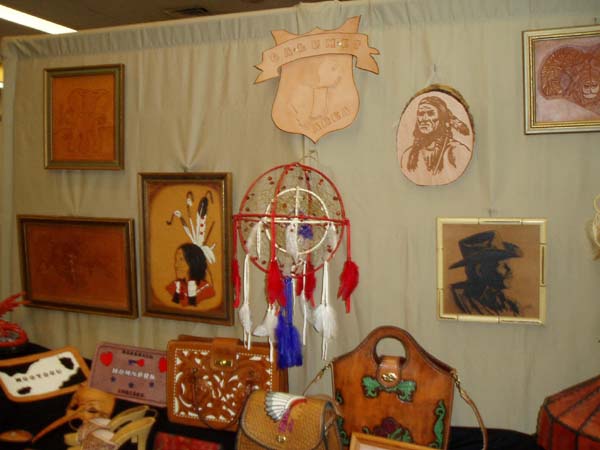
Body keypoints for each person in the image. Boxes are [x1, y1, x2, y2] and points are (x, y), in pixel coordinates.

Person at [400, 96, 472, 186]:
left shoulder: (456, 150)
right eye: (421, 114)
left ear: (441, 119)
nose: (424, 118)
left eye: (430, 113)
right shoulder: (408, 155)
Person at [449, 230, 522, 316]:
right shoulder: (452, 298)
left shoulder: (509, 305)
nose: (509, 269)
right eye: (502, 265)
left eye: (508, 264)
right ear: (479, 271)